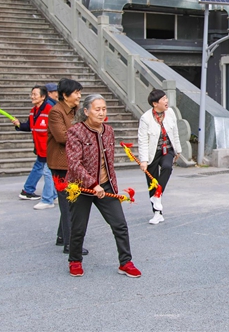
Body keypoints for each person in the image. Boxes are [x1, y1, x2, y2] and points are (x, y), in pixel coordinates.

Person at [65, 94, 141, 278]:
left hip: (105, 186)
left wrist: (107, 184)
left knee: (120, 224)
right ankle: (75, 260)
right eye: (97, 109)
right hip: (81, 187)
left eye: (104, 109)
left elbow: (109, 162)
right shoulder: (76, 131)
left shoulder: (108, 130)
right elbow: (74, 163)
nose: (101, 113)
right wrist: (92, 183)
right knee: (78, 227)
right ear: (86, 111)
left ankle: (125, 262)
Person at [47, 78, 88, 256]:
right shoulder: (56, 112)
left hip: (73, 162)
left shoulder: (76, 110)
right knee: (69, 202)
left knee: (70, 201)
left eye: (80, 92)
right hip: (60, 164)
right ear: (65, 95)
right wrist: (83, 135)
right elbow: (62, 137)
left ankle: (62, 236)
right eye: (76, 92)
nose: (79, 96)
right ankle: (71, 244)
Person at [138, 89, 182, 225]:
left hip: (167, 150)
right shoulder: (145, 118)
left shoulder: (171, 113)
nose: (166, 101)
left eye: (166, 98)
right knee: (152, 182)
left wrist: (178, 150)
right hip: (152, 153)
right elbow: (142, 140)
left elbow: (175, 132)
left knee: (167, 167)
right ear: (155, 104)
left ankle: (157, 195)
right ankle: (157, 213)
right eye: (163, 99)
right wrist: (144, 160)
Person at [12, 85, 54, 208]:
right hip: (40, 148)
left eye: (35, 94)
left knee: (48, 172)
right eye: (32, 94)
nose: (32, 96)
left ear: (43, 96)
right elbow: (30, 126)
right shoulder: (33, 111)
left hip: (50, 148)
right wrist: (19, 124)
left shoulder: (50, 110)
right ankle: (32, 191)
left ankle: (48, 199)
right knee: (42, 169)